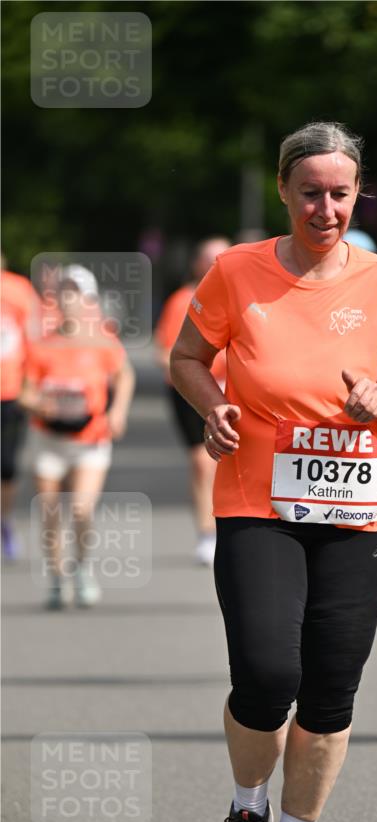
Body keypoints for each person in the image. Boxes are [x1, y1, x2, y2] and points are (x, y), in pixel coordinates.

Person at [170, 121, 377, 822]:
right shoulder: (235, 272)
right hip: (258, 499)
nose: (325, 208)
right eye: (309, 192)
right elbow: (185, 357)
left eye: (340, 194)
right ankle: (247, 814)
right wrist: (213, 405)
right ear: (283, 190)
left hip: (353, 511)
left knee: (330, 684)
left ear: (358, 195)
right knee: (265, 670)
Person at [20, 266, 135, 608]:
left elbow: (124, 376)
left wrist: (118, 412)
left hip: (90, 438)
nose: (69, 302)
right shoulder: (43, 343)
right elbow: (25, 392)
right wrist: (41, 404)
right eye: (64, 295)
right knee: (51, 511)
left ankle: (82, 568)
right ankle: (57, 578)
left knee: (82, 510)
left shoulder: (102, 341)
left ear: (88, 300)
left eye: (76, 295)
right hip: (49, 440)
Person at [154, 238, 231, 565]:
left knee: (232, 463)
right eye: (209, 259)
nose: (215, 264)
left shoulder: (242, 295)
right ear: (198, 264)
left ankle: (235, 528)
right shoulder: (182, 301)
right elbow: (168, 353)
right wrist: (192, 381)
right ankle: (207, 533)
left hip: (235, 391)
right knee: (202, 463)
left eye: (221, 258)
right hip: (192, 392)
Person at [1, 262, 42, 560]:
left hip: (9, 391)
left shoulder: (18, 290)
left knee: (6, 465)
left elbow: (34, 339)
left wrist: (31, 382)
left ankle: (4, 521)